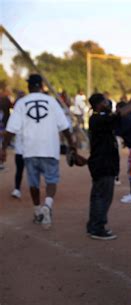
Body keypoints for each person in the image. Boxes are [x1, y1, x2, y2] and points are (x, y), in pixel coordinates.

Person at [1, 74, 74, 228]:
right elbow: (64, 127)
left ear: (29, 86)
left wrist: (3, 148)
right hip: (50, 149)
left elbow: (11, 129)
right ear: (41, 86)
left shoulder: (21, 103)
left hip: (30, 150)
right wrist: (72, 144)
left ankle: (37, 211)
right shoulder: (52, 102)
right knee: (51, 181)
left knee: (33, 183)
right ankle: (47, 205)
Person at [86, 93, 131, 240]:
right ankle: (98, 228)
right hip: (103, 165)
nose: (107, 103)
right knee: (103, 197)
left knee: (98, 195)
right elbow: (120, 114)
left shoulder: (99, 118)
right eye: (104, 101)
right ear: (98, 104)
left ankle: (93, 225)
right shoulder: (98, 119)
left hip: (101, 164)